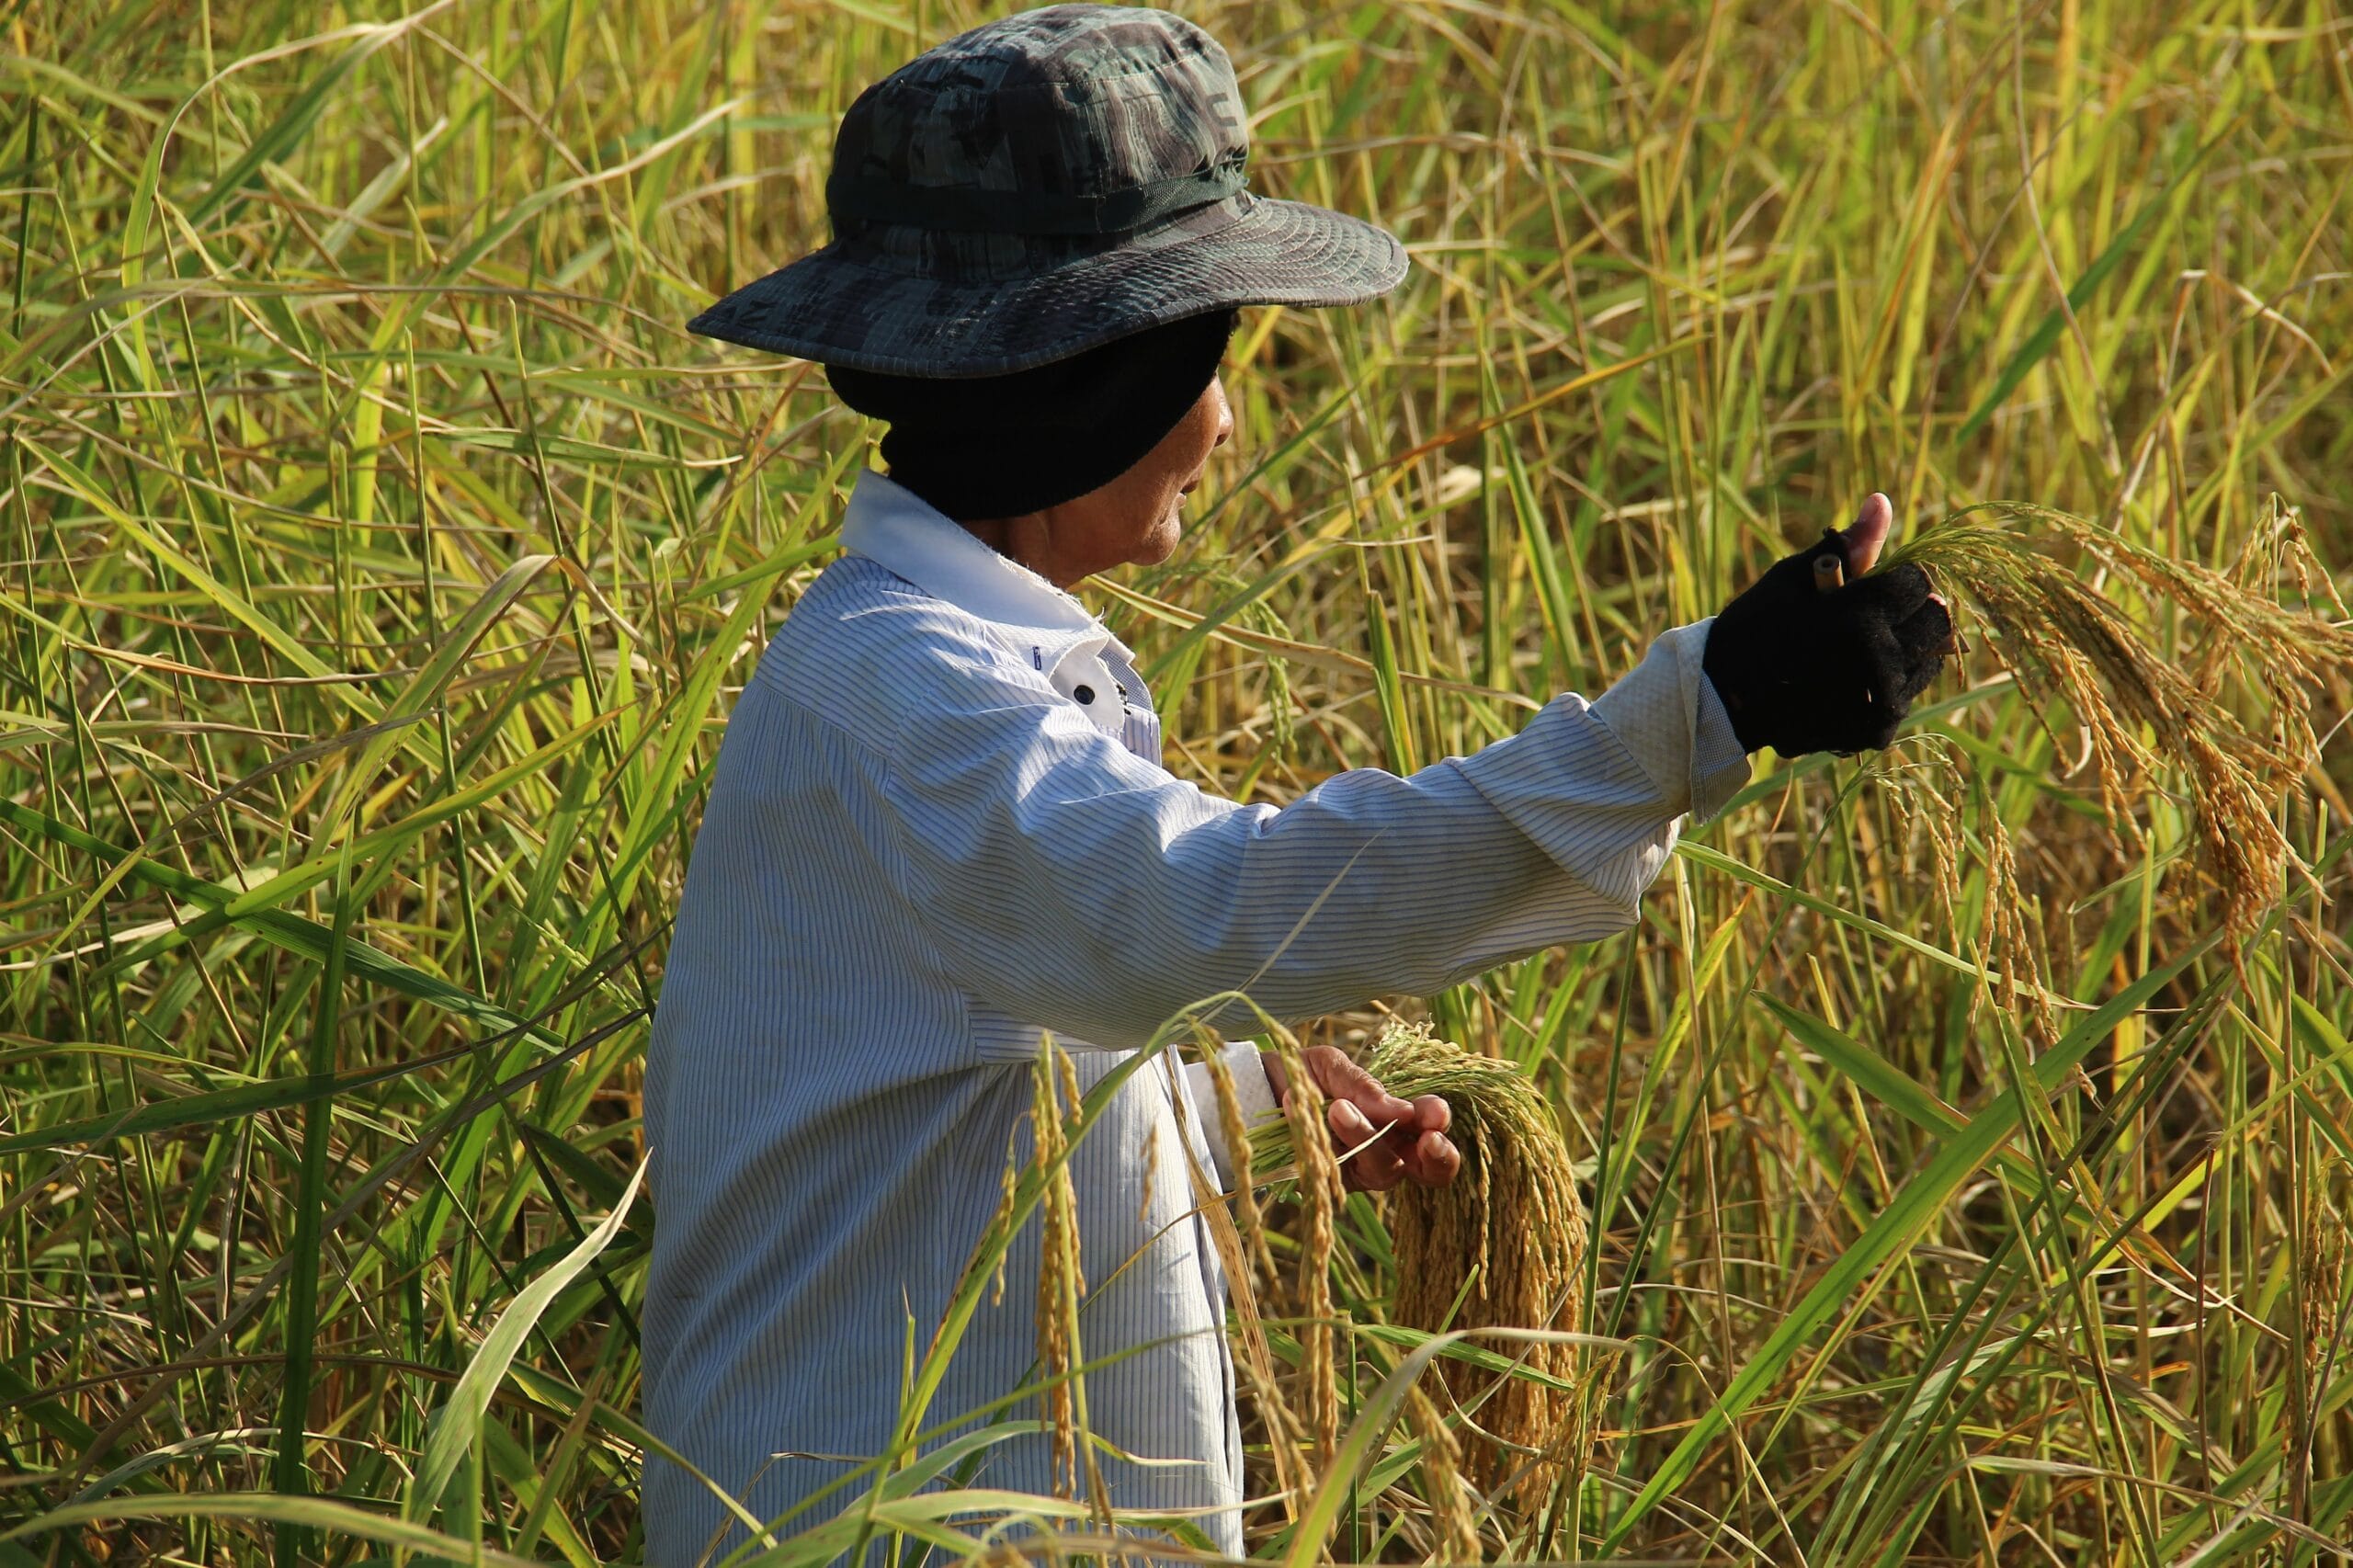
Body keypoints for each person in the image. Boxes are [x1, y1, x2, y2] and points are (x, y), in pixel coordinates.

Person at [642, 6, 1952, 1564]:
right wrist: (1695, 718)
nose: (1224, 421)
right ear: (1092, 387)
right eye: (1206, 361)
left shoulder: (949, 669)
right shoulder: (902, 699)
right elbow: (1211, 906)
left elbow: (926, 1101)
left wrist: (1228, 1108)